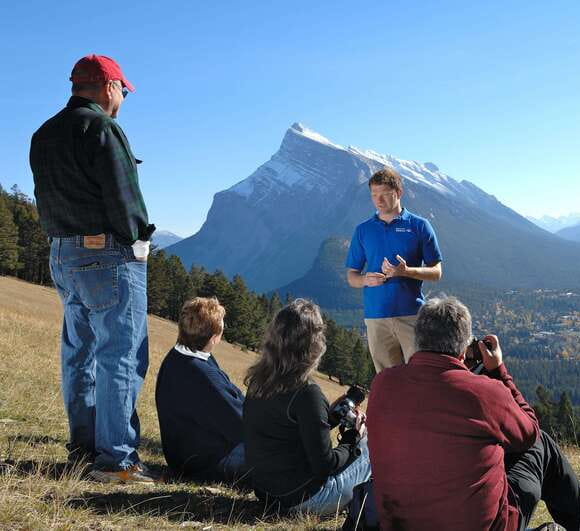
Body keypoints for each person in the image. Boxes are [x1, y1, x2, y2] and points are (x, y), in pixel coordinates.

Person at [366, 296, 580, 531]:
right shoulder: (484, 392)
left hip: (401, 524)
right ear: (463, 350)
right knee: (542, 445)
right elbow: (529, 433)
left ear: (417, 340)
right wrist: (498, 372)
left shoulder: (382, 384)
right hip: (485, 525)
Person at [29, 54, 157, 483]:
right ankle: (116, 459)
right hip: (107, 255)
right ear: (108, 87)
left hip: (62, 253)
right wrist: (138, 239)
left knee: (79, 352)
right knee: (120, 354)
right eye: (122, 90)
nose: (123, 99)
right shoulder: (103, 128)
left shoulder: (42, 134)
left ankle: (83, 448)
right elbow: (125, 197)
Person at [243, 299, 371, 515]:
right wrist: (353, 439)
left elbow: (287, 433)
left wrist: (326, 418)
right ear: (313, 345)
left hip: (267, 494)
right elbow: (325, 466)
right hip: (306, 500)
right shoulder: (306, 393)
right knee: (373, 442)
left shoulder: (258, 381)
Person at [345, 167, 443, 372]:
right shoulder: (363, 230)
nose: (378, 200)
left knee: (421, 378)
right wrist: (365, 280)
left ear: (398, 193)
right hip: (376, 318)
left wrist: (406, 271)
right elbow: (351, 276)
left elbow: (436, 272)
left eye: (384, 194)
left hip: (412, 316)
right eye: (374, 195)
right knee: (388, 383)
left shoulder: (420, 226)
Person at [155, 297, 250, 485]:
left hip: (182, 455)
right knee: (279, 459)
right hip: (207, 463)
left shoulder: (176, 357)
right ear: (214, 338)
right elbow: (242, 425)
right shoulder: (203, 373)